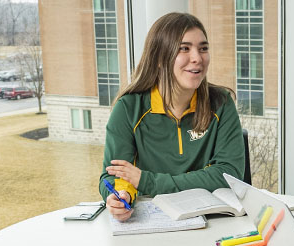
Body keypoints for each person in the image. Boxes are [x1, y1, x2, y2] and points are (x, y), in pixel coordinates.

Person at [98, 12, 245, 222]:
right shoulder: (128, 109)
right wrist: (122, 195)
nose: (197, 57)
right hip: (152, 223)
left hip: (213, 222)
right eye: (184, 48)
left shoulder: (221, 103)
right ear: (159, 57)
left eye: (203, 48)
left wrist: (147, 181)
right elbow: (115, 175)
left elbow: (228, 173)